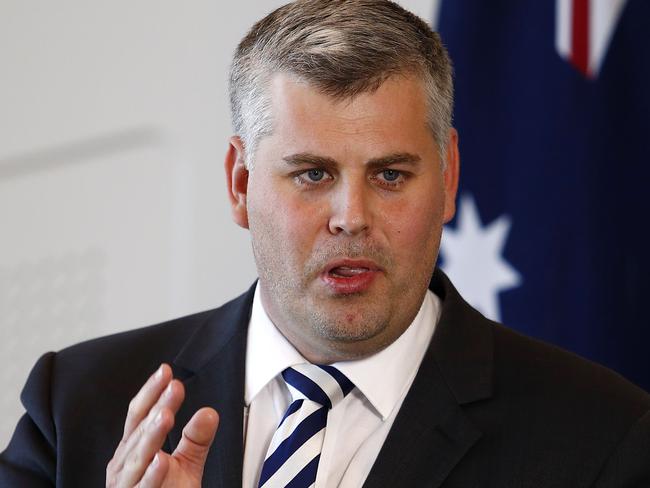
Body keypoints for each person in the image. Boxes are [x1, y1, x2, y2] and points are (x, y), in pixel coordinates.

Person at [1, 0, 649, 486]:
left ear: (448, 179)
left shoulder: (603, 439)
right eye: (312, 174)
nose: (351, 217)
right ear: (239, 182)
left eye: (390, 175)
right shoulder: (79, 407)